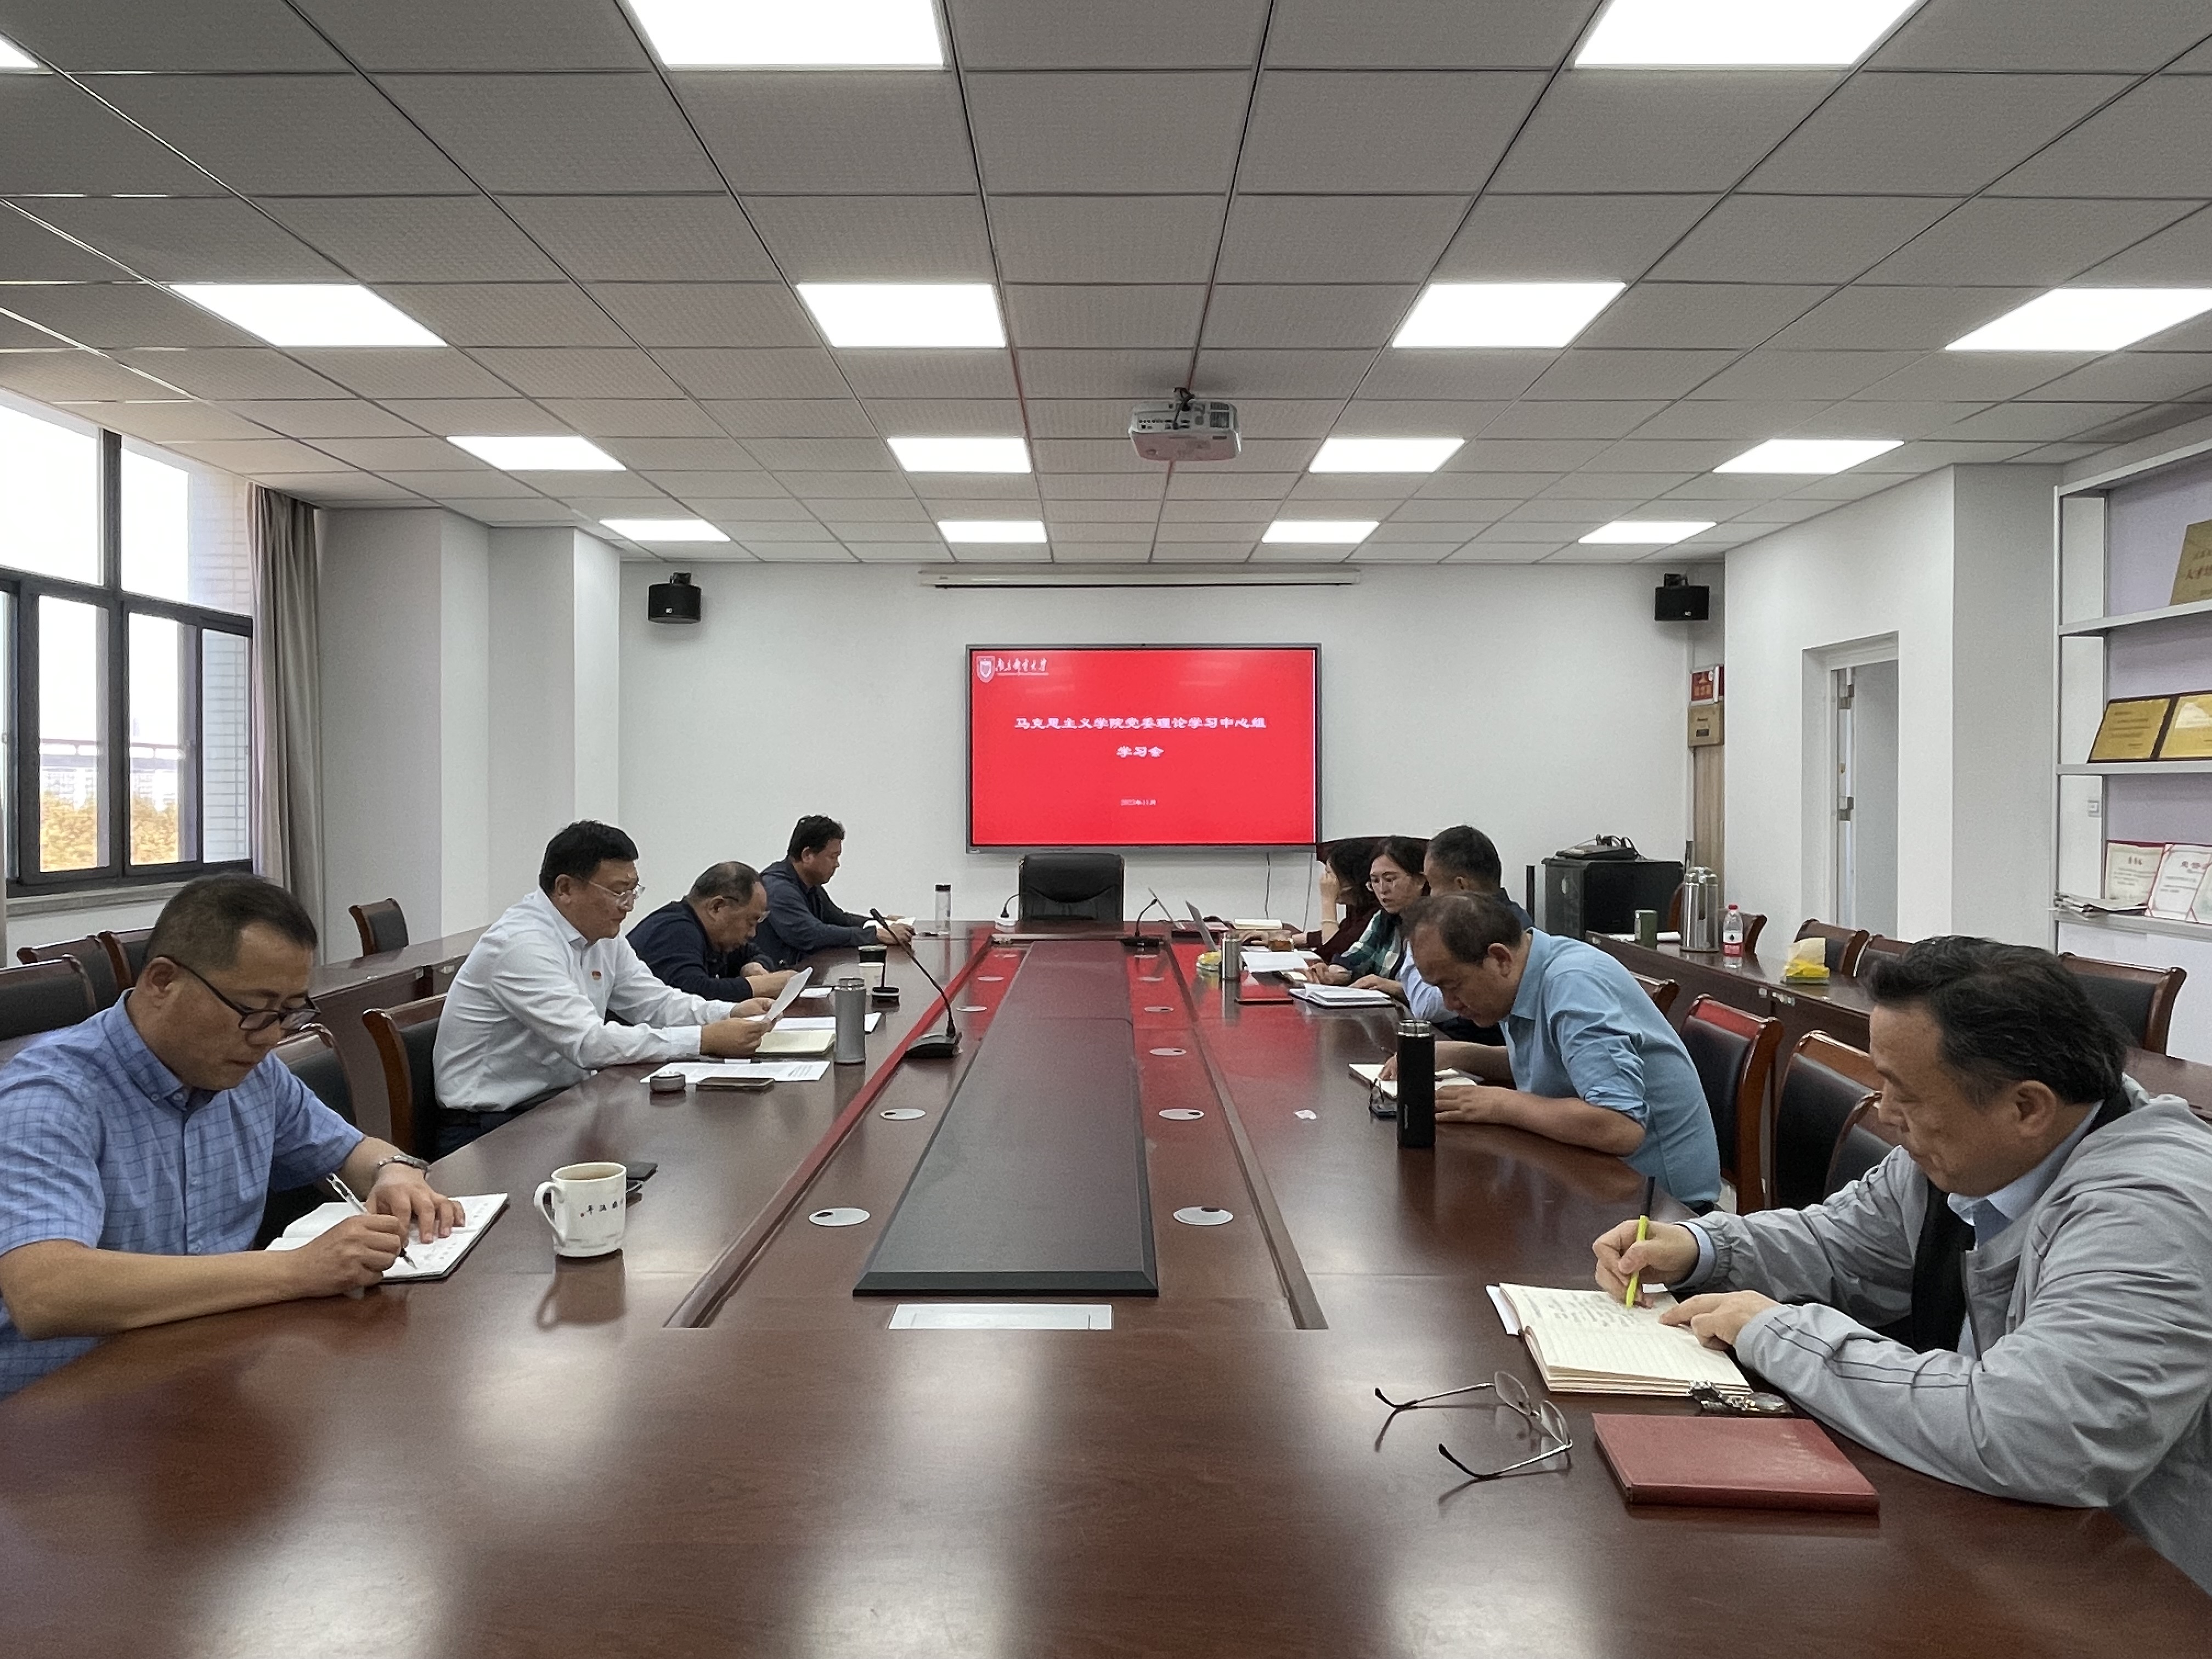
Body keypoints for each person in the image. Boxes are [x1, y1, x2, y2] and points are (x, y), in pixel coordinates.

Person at [1593, 938, 2212, 1594]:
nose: (1884, 1115)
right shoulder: (1977, 1150)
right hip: (1991, 1530)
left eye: (1906, 1094)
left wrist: (1780, 1333)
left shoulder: (2151, 1210)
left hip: (2135, 1588)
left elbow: (2039, 1434)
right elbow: (1842, 1243)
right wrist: (1706, 1249)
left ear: (2026, 1108)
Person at [0, 874, 466, 1399]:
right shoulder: (51, 1097)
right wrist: (296, 1270)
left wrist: (393, 1172)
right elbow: (45, 1291)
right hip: (62, 1409)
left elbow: (350, 1151)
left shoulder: (252, 1074)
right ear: (162, 982)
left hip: (205, 1373)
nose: (271, 1036)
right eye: (253, 1010)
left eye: (289, 1012)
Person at [434, 822, 774, 1154]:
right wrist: (704, 1039)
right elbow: (589, 1043)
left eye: (633, 891)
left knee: (686, 1144)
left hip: (560, 1105)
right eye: (618, 892)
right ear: (565, 889)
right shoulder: (521, 945)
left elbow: (655, 1003)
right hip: (489, 1130)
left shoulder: (602, 936)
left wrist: (730, 1012)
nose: (628, 905)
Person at [1403, 891, 1721, 1207]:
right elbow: (1552, 1064)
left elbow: (1620, 1126)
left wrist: (1501, 1104)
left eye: (1453, 986)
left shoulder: (1574, 984)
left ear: (1500, 959)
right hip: (1592, 1174)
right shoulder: (1523, 973)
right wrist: (1459, 1054)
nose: (1449, 1004)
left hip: (1662, 1205)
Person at [1401, 824, 1530, 1039]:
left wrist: (1420, 936)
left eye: (1432, 885)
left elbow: (1426, 1006)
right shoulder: (1510, 917)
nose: (1429, 897)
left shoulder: (1489, 930)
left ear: (1462, 887)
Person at [752, 814, 910, 972]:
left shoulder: (809, 883)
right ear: (807, 855)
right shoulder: (778, 888)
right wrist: (874, 935)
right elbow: (812, 935)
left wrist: (883, 924)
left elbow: (841, 920)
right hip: (780, 977)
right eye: (833, 857)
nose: (837, 864)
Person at [628, 861, 795, 1003]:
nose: (753, 934)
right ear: (717, 907)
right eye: (751, 922)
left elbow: (754, 954)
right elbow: (692, 995)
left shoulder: (718, 939)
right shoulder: (674, 931)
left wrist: (754, 966)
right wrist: (763, 985)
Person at [1313, 836, 1427, 998]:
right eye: (1375, 881)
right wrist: (1334, 974)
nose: (1382, 889)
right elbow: (1355, 957)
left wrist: (1393, 987)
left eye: (1390, 879)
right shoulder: (1383, 918)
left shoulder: (1435, 924)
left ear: (1419, 880)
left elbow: (1437, 996)